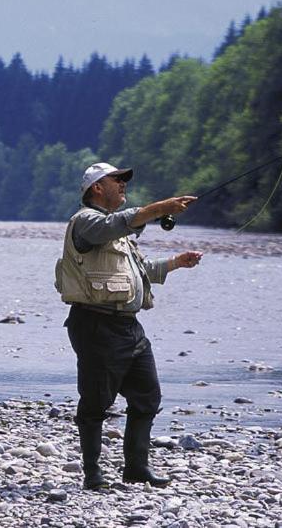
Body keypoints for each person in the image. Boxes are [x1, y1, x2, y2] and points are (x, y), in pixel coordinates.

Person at [54, 162, 202, 490]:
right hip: (96, 324)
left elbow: (140, 270)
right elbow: (116, 224)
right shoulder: (86, 222)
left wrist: (176, 263)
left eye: (124, 180)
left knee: (147, 397)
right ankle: (93, 474)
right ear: (96, 188)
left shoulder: (119, 235)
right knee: (95, 402)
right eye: (116, 180)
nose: (123, 184)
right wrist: (159, 209)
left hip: (129, 327)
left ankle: (136, 468)